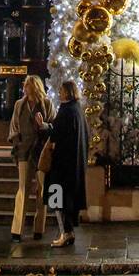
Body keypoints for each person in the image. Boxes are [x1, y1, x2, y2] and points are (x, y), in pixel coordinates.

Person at [8, 73, 54, 241]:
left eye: (28, 85)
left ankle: (38, 228)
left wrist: (44, 126)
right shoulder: (20, 105)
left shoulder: (47, 104)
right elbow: (14, 127)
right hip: (24, 152)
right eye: (25, 85)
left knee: (41, 190)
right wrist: (16, 144)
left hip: (41, 152)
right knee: (23, 189)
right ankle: (17, 229)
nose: (26, 88)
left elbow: (53, 126)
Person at [44, 80, 89, 248]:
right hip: (74, 165)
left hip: (62, 165)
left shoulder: (65, 111)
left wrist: (45, 128)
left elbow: (57, 135)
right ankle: (68, 232)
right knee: (67, 200)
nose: (60, 92)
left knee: (57, 199)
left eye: (62, 90)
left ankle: (65, 232)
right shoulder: (78, 110)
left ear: (67, 92)